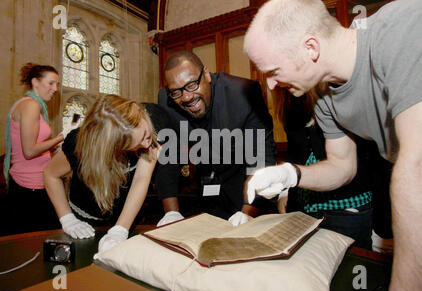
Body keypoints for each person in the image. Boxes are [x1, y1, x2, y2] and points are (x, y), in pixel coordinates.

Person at [244, 0, 422, 291]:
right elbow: (342, 166)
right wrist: (291, 175)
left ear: (310, 48)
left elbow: (416, 167)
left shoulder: (401, 27)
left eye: (273, 71)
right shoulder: (325, 93)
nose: (271, 85)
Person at [155, 51, 277, 227]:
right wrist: (172, 213)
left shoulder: (243, 93)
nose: (187, 97)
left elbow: (260, 157)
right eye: (176, 92)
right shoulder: (167, 101)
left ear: (206, 74)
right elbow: (168, 158)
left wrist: (247, 213)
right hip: (205, 187)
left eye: (191, 85)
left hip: (245, 185)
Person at [43, 94, 160, 254]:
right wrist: (67, 219)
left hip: (124, 219)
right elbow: (50, 175)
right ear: (112, 146)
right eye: (138, 143)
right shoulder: (79, 144)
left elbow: (141, 180)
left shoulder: (147, 140)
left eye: (146, 134)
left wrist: (120, 230)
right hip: (81, 223)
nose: (148, 143)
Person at [279, 92, 374, 250]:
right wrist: (284, 192)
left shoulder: (339, 96)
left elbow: (367, 158)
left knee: (349, 270)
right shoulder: (290, 102)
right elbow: (294, 153)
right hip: (303, 209)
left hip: (346, 208)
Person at [3, 63, 64, 235]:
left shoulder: (30, 104)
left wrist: (55, 147)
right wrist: (60, 138)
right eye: (51, 83)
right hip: (30, 186)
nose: (55, 89)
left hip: (34, 182)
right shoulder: (31, 105)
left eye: (57, 85)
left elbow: (34, 147)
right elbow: (29, 151)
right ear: (35, 82)